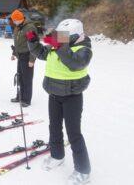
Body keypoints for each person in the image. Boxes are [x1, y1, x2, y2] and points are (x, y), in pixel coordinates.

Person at [26, 19, 92, 185]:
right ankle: (57, 155)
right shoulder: (57, 46)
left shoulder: (84, 49)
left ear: (75, 35)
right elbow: (41, 53)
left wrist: (57, 44)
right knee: (54, 127)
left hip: (72, 96)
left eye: (63, 36)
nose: (60, 38)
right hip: (54, 94)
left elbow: (74, 63)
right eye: (59, 35)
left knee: (74, 134)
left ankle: (83, 171)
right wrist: (32, 40)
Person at [10, 9, 37, 107]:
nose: (13, 22)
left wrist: (32, 59)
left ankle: (26, 100)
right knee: (20, 77)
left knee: (27, 78)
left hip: (27, 56)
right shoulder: (18, 27)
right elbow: (17, 42)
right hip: (20, 55)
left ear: (19, 19)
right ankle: (20, 96)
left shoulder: (29, 28)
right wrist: (14, 53)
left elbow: (34, 44)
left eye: (15, 20)